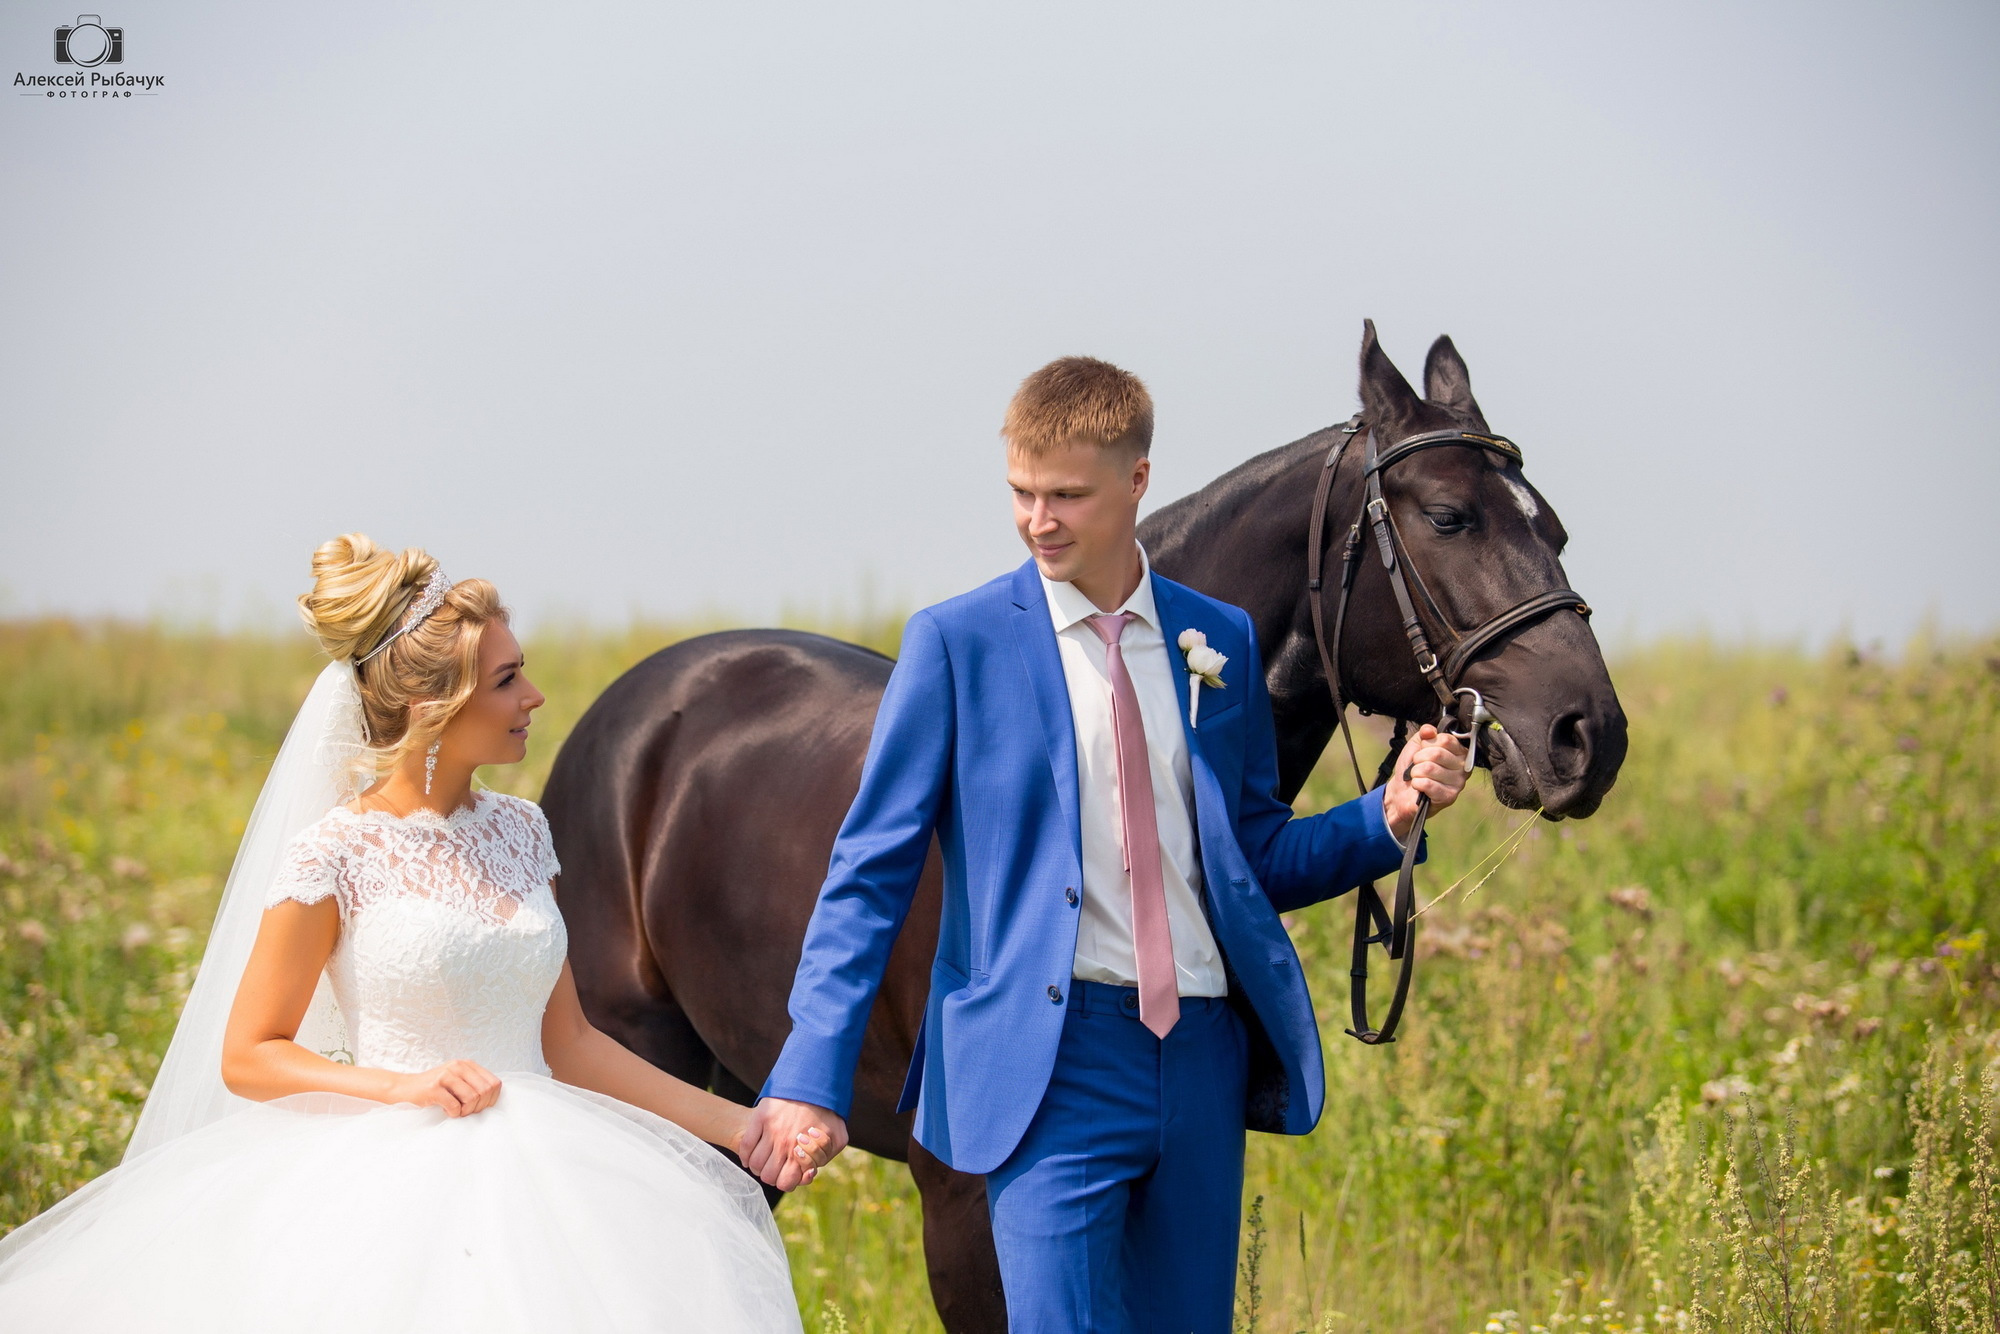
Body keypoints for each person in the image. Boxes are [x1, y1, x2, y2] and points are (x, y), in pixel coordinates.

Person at [742, 358, 1470, 1332]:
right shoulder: (956, 644)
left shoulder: (1218, 641)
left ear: (1135, 481)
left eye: (1066, 496)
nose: (1038, 519)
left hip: (1200, 1058)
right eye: (1021, 493)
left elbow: (1248, 857)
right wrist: (808, 1069)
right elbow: (867, 873)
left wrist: (1384, 815)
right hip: (1051, 1064)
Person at [0, 535, 826, 1332]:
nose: (534, 697)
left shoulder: (522, 831)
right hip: (392, 1190)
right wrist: (397, 1088)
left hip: (555, 1175)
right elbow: (249, 1053)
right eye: (507, 680)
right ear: (435, 706)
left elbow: (569, 1042)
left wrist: (743, 1128)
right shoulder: (337, 851)